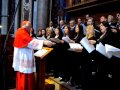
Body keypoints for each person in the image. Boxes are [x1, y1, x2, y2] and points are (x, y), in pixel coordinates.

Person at [13, 20, 53, 90]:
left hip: (24, 57)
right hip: (24, 58)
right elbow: (30, 42)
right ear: (26, 26)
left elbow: (29, 41)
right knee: (25, 76)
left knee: (24, 75)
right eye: (30, 27)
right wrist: (45, 42)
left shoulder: (22, 31)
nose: (30, 28)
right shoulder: (21, 32)